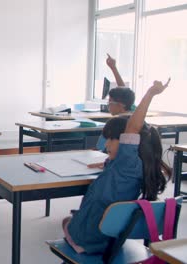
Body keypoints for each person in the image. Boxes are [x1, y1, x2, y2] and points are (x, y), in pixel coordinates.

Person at [62, 78, 170, 254]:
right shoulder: (137, 166)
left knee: (66, 221)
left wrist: (150, 93)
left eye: (112, 139)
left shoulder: (126, 162)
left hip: (88, 237)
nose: (106, 145)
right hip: (113, 239)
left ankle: (79, 245)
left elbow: (133, 128)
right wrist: (106, 163)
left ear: (130, 142)